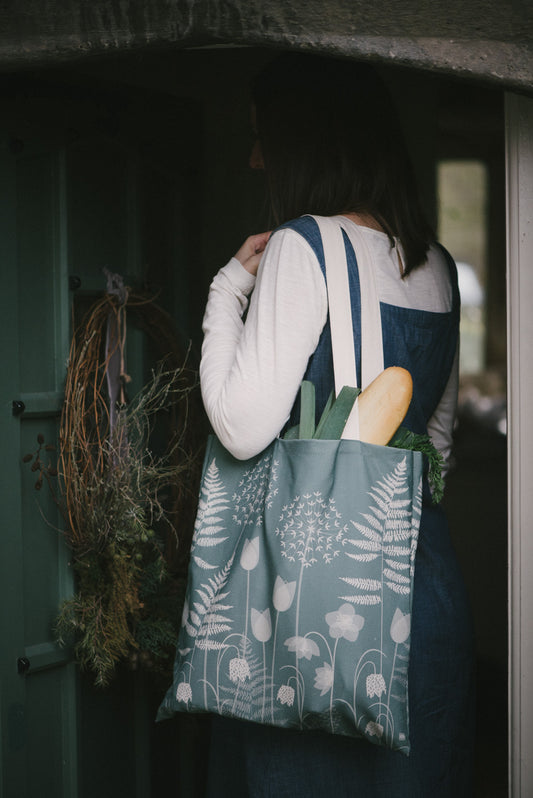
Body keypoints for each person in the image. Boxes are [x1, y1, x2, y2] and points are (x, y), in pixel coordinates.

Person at [200, 54, 474, 797]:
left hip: (323, 601)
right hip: (424, 589)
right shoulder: (438, 268)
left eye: (264, 137)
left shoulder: (303, 245)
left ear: (308, 141)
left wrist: (228, 289)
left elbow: (240, 426)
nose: (254, 158)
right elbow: (435, 450)